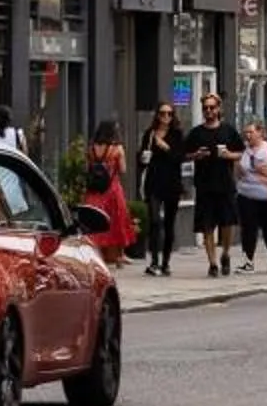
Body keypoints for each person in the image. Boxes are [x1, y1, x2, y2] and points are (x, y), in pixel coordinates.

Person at [182, 92, 243, 277]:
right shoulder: (197, 133)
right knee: (207, 226)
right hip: (204, 185)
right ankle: (213, 263)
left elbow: (241, 152)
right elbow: (185, 154)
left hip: (224, 184)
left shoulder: (228, 130)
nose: (208, 111)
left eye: (212, 107)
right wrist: (196, 155)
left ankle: (225, 253)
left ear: (218, 109)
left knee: (227, 223)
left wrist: (228, 156)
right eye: (205, 108)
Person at [138, 102, 187, 276]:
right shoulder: (149, 134)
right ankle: (154, 261)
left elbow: (180, 157)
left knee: (169, 224)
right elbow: (141, 157)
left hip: (172, 183)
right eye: (162, 113)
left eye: (169, 114)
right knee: (154, 221)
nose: (166, 117)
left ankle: (165, 262)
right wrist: (143, 157)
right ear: (157, 115)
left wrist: (165, 147)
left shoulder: (177, 135)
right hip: (154, 182)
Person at [234, 120, 267, 272]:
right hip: (246, 195)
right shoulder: (243, 151)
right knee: (248, 228)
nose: (247, 135)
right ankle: (248, 261)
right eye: (246, 132)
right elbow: (238, 173)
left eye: (251, 132)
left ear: (260, 133)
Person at [83, 116, 136, 266]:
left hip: (94, 191)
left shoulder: (91, 148)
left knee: (95, 223)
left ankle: (96, 255)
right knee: (117, 221)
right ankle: (119, 256)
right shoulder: (117, 149)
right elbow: (123, 169)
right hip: (112, 189)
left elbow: (86, 169)